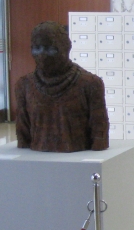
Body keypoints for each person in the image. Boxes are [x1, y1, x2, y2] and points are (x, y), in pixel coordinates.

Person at [15, 21, 109, 152]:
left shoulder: (90, 83)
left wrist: (97, 153)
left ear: (66, 48)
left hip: (76, 154)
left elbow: (99, 127)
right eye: (37, 48)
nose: (42, 55)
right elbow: (23, 130)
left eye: (50, 49)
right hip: (38, 154)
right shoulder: (24, 85)